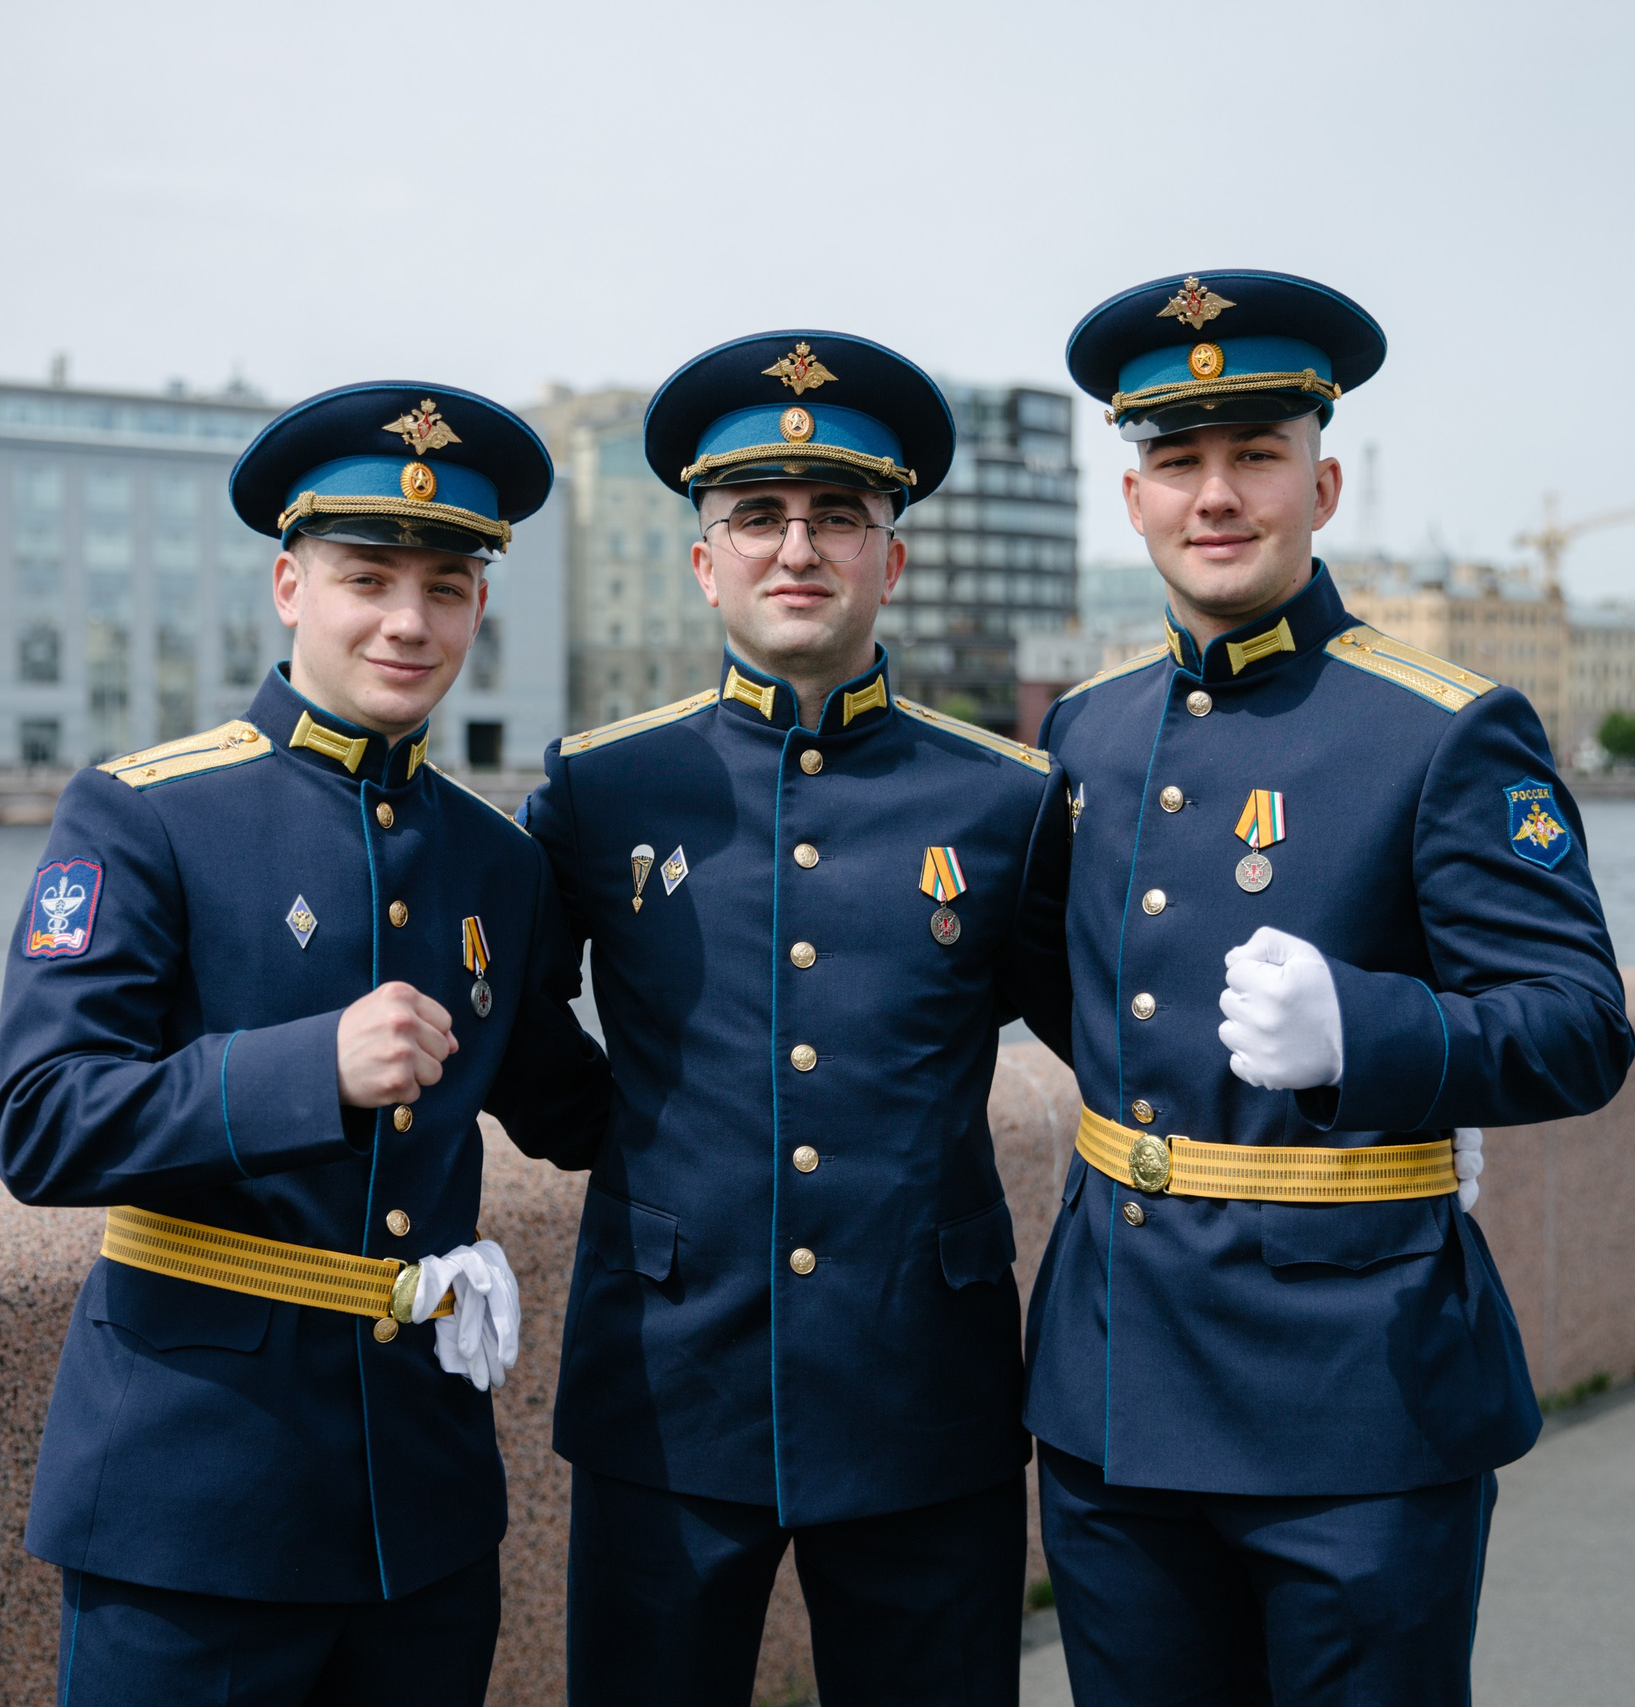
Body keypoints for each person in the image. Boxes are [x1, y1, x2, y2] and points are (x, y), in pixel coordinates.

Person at [1023, 271, 1634, 1705]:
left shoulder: (1443, 731)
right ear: (1134, 499)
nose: (1216, 495)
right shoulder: (1087, 733)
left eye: (1256, 454)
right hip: (1119, 1382)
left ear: (1325, 484)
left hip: (1356, 1401)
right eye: (1179, 460)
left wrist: (1372, 1037)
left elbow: (1580, 1027)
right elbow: (1075, 992)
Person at [0, 381, 609, 1706]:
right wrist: (304, 1068)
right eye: (366, 578)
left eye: (447, 588)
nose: (407, 621)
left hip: (424, 1515)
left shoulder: (498, 861)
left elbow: (577, 1106)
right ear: (289, 586)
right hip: (195, 1508)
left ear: (480, 610)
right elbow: (40, 1120)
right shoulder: (144, 815)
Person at [517, 332, 1071, 1706]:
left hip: (920, 1387)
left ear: (893, 557)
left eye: (839, 515)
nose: (798, 547)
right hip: (667, 1381)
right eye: (757, 515)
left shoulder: (1005, 801)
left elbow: (1114, 1032)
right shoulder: (602, 788)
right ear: (705, 562)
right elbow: (509, 1011)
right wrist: (628, 1140)